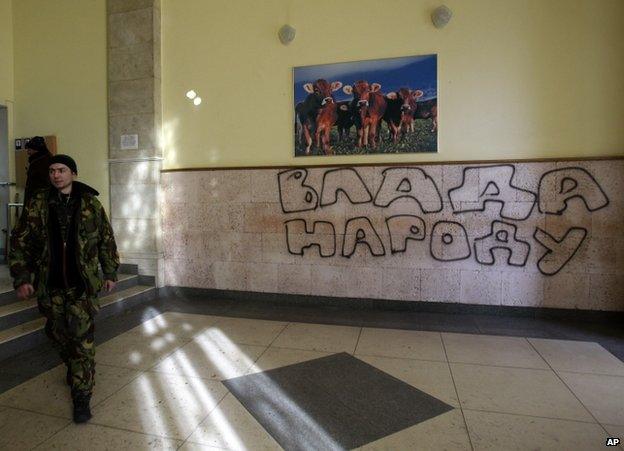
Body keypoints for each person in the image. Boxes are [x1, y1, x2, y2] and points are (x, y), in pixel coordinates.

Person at [8, 154, 119, 423]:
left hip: (82, 286)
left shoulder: (91, 204)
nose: (56, 175)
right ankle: (72, 365)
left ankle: (82, 396)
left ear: (74, 173)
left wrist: (110, 271)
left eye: (62, 170)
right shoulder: (38, 204)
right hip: (51, 284)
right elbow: (20, 241)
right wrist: (23, 277)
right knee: (57, 333)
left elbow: (106, 239)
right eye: (52, 171)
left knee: (82, 342)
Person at [23, 136, 53, 206]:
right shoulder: (48, 159)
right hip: (41, 199)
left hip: (39, 201)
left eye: (29, 149)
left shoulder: (39, 163)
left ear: (36, 149)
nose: (28, 152)